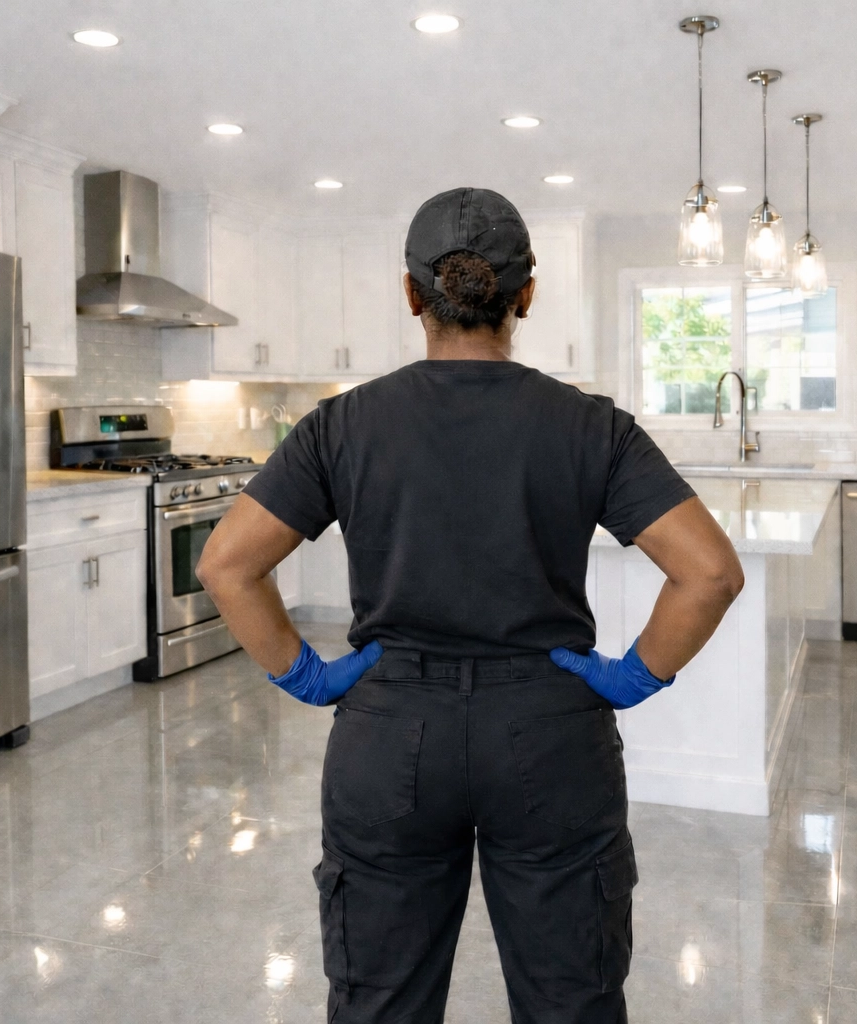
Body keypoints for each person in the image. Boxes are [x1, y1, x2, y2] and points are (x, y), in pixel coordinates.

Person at [199, 187, 745, 1024]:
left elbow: (229, 566)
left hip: (389, 734)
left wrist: (307, 674)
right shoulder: (591, 426)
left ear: (412, 295)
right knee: (573, 1001)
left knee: (380, 1003)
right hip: (552, 731)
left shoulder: (339, 427)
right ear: (526, 294)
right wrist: (635, 675)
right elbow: (708, 573)